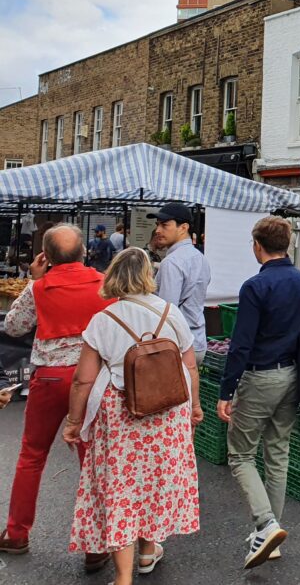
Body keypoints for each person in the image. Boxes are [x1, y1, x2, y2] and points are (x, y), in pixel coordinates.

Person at [63, 248, 201, 585]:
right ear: (147, 276)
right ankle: (147, 552)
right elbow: (190, 366)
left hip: (121, 414)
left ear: (113, 275)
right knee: (154, 480)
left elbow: (83, 379)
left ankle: (124, 577)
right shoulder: (171, 313)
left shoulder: (104, 320)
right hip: (168, 411)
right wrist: (194, 407)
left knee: (122, 487)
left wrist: (73, 422)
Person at [0, 225, 114, 572]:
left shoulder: (40, 287)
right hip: (91, 377)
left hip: (48, 376)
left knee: (32, 455)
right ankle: (96, 544)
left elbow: (14, 327)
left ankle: (17, 532)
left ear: (45, 257)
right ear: (85, 252)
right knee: (92, 458)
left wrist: (36, 281)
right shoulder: (104, 282)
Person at [217, 216, 300, 570]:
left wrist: (226, 389)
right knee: (278, 452)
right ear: (288, 244)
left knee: (241, 455)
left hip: (261, 375)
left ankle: (266, 524)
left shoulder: (255, 287)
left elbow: (241, 344)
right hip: (295, 373)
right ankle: (270, 534)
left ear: (257, 246)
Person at [149, 203, 211, 364]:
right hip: (196, 341)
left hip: (177, 346)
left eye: (164, 225)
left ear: (183, 227)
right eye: (157, 225)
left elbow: (167, 312)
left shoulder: (172, 262)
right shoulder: (200, 258)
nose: (158, 230)